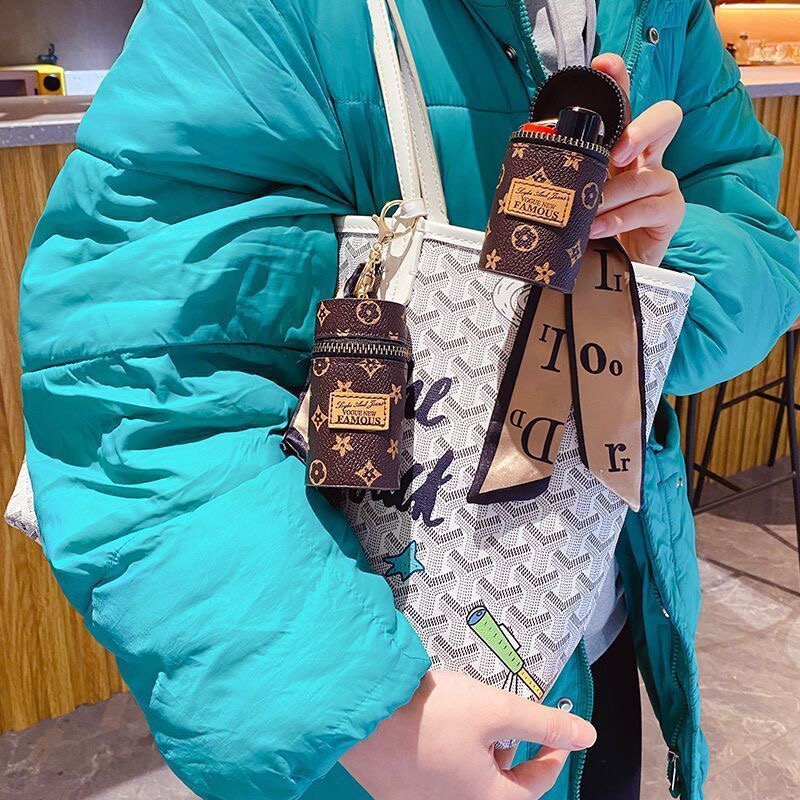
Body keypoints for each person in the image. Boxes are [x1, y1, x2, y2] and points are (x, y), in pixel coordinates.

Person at [18, 1, 799, 799]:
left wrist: (654, 260)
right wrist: (369, 712)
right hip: (377, 686)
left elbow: (762, 250)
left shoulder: (664, 10)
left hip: (594, 617)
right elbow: (141, 390)